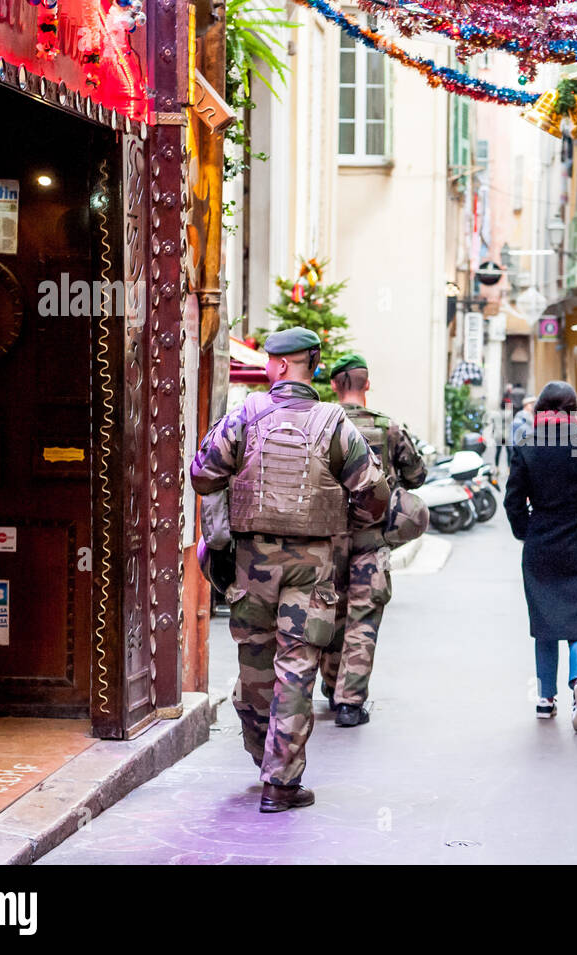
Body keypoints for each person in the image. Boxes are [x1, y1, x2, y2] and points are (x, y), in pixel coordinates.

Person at [189, 327, 389, 813]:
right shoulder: (334, 422)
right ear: (314, 366)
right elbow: (376, 497)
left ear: (277, 366)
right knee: (296, 667)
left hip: (251, 563)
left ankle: (265, 759)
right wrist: (343, 523)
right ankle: (281, 781)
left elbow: (202, 474)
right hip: (312, 566)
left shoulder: (245, 416)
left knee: (255, 666)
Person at [318, 353, 427, 728]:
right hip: (371, 537)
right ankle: (349, 702)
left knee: (330, 610)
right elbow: (416, 475)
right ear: (367, 385)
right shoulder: (388, 427)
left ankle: (332, 685)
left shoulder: (322, 425)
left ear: (334, 385)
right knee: (363, 617)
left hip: (326, 539)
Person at [504, 380, 577, 733]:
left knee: (544, 621)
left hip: (542, 543)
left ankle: (545, 699)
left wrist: (525, 530)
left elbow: (512, 501)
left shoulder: (527, 445)